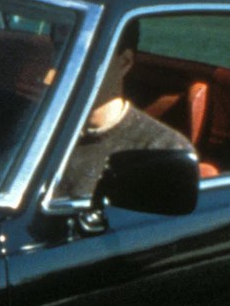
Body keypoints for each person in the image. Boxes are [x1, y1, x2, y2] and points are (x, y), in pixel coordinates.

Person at [58, 22, 196, 199]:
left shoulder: (162, 150)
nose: (64, 65)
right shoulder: (38, 126)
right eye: (60, 49)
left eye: (82, 54)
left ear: (124, 62)